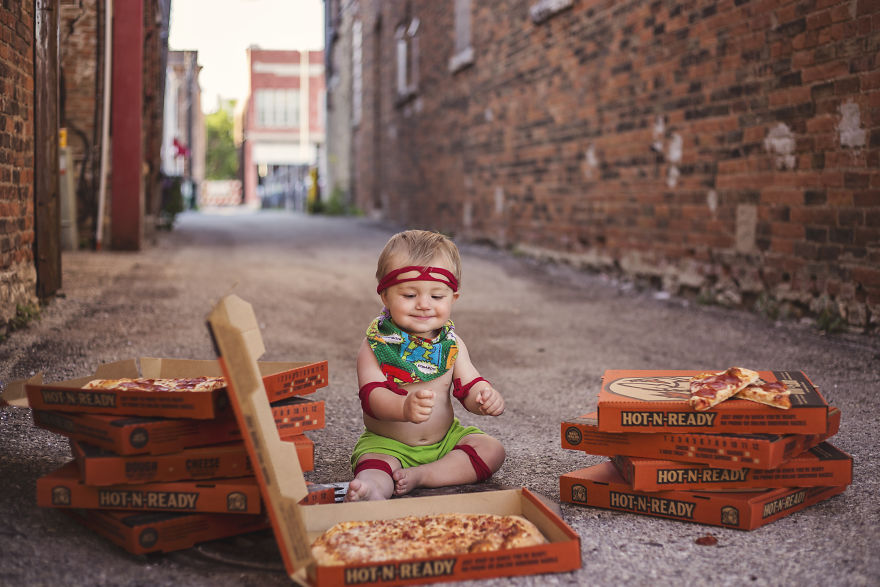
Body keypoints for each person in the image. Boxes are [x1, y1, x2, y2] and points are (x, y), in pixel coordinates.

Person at [345, 230, 506, 501]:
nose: (423, 305)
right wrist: (403, 408)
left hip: (444, 441)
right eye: (409, 295)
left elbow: (469, 386)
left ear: (453, 298)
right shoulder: (376, 345)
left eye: (437, 296)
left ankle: (425, 475)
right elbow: (372, 398)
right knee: (374, 467)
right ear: (384, 296)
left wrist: (484, 398)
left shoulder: (451, 344)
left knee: (492, 450)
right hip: (388, 444)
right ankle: (371, 490)